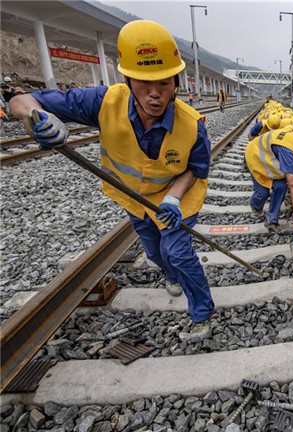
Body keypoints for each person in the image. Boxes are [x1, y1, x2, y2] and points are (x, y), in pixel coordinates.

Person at [9, 20, 216, 341]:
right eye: (144, 83)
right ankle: (171, 276)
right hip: (134, 198)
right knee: (155, 253)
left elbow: (197, 169)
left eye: (164, 84)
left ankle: (202, 314)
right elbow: (20, 100)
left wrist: (174, 198)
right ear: (128, 79)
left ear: (176, 82)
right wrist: (36, 117)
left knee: (177, 251)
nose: (155, 94)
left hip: (177, 197)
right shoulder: (104, 101)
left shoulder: (192, 126)